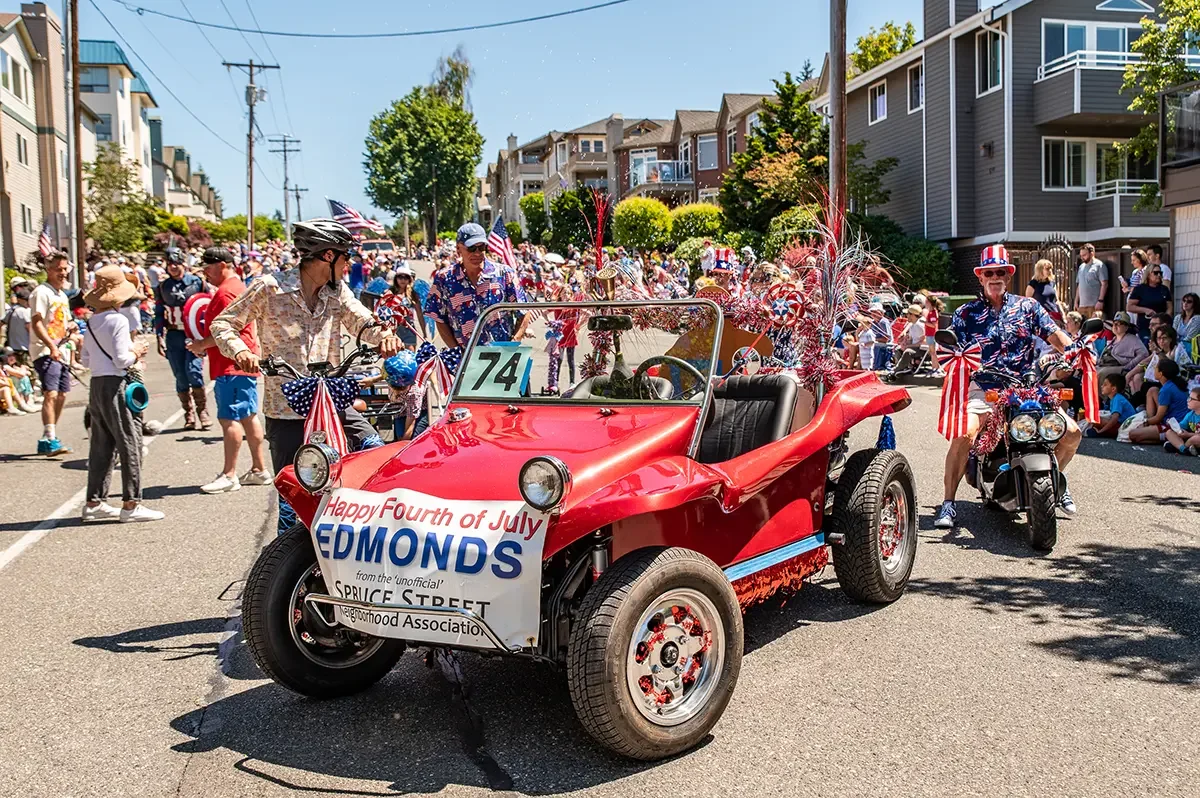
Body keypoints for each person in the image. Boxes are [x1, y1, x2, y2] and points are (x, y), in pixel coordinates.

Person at [210, 219, 402, 493]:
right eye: (345, 255)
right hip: (285, 408)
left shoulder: (337, 291)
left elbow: (362, 321)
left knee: (372, 446)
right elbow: (223, 324)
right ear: (328, 255)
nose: (348, 263)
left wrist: (385, 336)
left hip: (330, 400)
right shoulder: (270, 287)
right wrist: (240, 351)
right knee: (292, 492)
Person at [934, 246, 1080, 529]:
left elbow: (1055, 335)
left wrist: (1074, 351)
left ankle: (1054, 481)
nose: (995, 277)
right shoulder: (966, 313)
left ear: (1009, 275)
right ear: (980, 277)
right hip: (984, 387)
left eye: (1000, 272)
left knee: (1072, 433)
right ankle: (948, 502)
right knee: (964, 434)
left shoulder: (1028, 307)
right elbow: (949, 347)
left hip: (1027, 387)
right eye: (989, 273)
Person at [79, 266, 163, 523]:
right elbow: (121, 360)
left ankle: (94, 501)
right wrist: (137, 351)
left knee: (101, 444)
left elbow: (85, 359)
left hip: (97, 384)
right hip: (116, 383)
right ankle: (131, 503)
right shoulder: (118, 320)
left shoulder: (92, 322)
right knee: (130, 442)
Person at [185, 247, 272, 494]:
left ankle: (229, 474)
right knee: (247, 416)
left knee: (229, 418)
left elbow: (225, 331)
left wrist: (200, 345)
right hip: (240, 361)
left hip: (231, 363)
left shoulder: (225, 292)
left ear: (222, 265)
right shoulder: (235, 287)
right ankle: (258, 469)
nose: (205, 272)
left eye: (208, 267)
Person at [424, 222, 529, 349]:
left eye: (482, 247)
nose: (477, 253)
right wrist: (457, 352)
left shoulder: (504, 274)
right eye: (472, 248)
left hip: (503, 354)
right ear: (458, 248)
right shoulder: (444, 279)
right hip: (465, 356)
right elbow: (439, 319)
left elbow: (524, 311)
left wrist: (514, 343)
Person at [154, 246, 209, 430]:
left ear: (183, 263)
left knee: (194, 371)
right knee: (180, 375)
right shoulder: (163, 287)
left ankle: (202, 411)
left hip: (193, 334)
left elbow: (207, 306)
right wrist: (159, 336)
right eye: (170, 263)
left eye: (176, 263)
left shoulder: (197, 282)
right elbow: (159, 313)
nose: (173, 267)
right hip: (173, 334)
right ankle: (189, 414)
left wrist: (207, 335)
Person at [29, 252, 76, 456]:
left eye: (65, 269)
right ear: (48, 270)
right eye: (58, 269)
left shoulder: (61, 295)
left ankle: (48, 436)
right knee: (51, 392)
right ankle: (50, 439)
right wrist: (51, 346)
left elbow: (63, 320)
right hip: (45, 350)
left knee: (62, 394)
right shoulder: (41, 292)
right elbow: (37, 322)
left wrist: (71, 326)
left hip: (62, 349)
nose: (63, 273)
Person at [1128, 358, 1190, 444]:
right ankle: (1157, 432)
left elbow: (1158, 417)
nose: (1154, 370)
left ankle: (1170, 438)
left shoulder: (1166, 390)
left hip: (1174, 426)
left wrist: (1144, 423)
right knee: (1152, 390)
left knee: (1132, 434)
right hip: (1175, 420)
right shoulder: (1174, 384)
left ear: (1160, 374)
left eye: (1156, 368)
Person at [1096, 311, 1148, 385]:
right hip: (1105, 365)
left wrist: (1129, 365)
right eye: (1114, 323)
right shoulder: (1113, 339)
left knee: (1100, 374)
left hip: (1119, 367)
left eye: (1118, 324)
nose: (1115, 326)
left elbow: (1144, 354)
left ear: (1126, 327)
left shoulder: (1132, 339)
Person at [1126, 261, 1171, 343]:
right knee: (1147, 344)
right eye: (1156, 273)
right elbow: (1129, 307)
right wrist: (1145, 310)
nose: (1159, 275)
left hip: (1161, 326)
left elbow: (1169, 307)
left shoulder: (1164, 289)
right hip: (1145, 325)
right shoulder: (1140, 289)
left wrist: (1165, 320)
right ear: (1149, 274)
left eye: (1160, 273)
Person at [1086, 373, 1137, 439]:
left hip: (1126, 425)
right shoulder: (1114, 398)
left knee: (1098, 420)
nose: (1102, 386)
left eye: (1105, 384)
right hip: (1122, 423)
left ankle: (1101, 433)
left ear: (1113, 389)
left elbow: (1114, 419)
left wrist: (1101, 431)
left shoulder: (1117, 399)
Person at [389, 265, 423, 347]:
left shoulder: (413, 294)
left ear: (409, 280)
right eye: (400, 277)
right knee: (394, 354)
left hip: (409, 330)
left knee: (410, 354)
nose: (403, 280)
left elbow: (419, 314)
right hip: (393, 331)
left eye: (406, 277)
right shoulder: (390, 293)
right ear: (396, 279)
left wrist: (424, 332)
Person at [891, 304, 928, 374]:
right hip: (915, 346)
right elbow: (911, 338)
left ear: (912, 315)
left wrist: (908, 346)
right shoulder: (913, 325)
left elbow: (923, 342)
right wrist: (905, 342)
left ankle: (898, 370)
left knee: (908, 351)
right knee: (898, 349)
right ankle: (904, 368)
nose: (906, 315)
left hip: (923, 349)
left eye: (908, 314)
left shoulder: (919, 326)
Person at [1163, 386, 1200, 455]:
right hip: (1189, 439)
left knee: (1196, 439)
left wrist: (1188, 435)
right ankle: (1184, 449)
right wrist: (1174, 427)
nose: (1188, 400)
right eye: (1188, 397)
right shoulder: (1190, 414)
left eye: (1191, 399)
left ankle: (1179, 448)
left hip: (1196, 439)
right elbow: (1181, 427)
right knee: (1169, 432)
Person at [1074, 243, 1108, 319]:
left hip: (1094, 306)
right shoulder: (1081, 267)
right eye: (1081, 255)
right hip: (1082, 306)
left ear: (1092, 253)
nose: (1082, 257)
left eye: (1084, 255)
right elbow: (1079, 285)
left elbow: (1104, 284)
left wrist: (1100, 301)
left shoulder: (1099, 265)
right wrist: (1076, 301)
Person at [4, 284, 31, 365]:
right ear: (19, 300)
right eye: (26, 300)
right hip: (24, 349)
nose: (28, 302)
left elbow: (1, 322)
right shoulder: (25, 311)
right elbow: (30, 328)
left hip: (12, 348)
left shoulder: (11, 311)